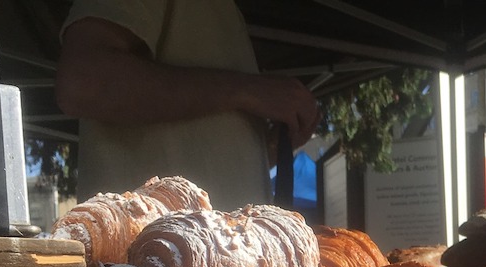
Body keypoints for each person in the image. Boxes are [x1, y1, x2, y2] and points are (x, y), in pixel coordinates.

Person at [55, 0, 320, 210]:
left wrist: (270, 148)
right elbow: (84, 82)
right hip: (150, 266)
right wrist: (249, 90)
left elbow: (196, 147)